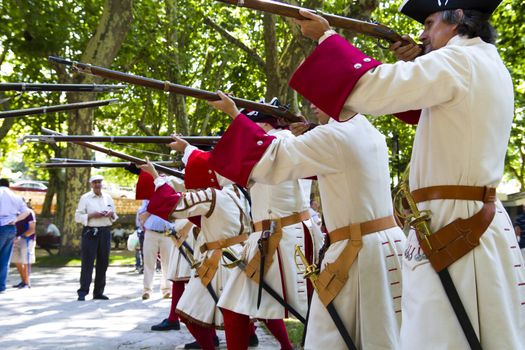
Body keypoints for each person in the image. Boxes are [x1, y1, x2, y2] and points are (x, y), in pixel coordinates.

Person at [291, 0, 525, 348]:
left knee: (442, 335)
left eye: (430, 23)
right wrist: (418, 61)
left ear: (457, 17)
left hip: (454, 223)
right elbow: (431, 108)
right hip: (468, 220)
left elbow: (376, 90)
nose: (423, 33)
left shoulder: (458, 60)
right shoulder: (483, 61)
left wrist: (327, 39)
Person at [207, 92, 406, 349]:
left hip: (355, 251)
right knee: (380, 332)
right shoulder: (366, 129)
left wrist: (235, 115)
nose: (312, 104)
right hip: (382, 244)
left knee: (341, 338)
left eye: (319, 94)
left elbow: (273, 157)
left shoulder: (330, 136)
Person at [198, 103, 316, 350]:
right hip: (276, 235)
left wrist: (234, 114)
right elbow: (228, 175)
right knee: (237, 307)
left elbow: (229, 171)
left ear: (263, 124)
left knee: (235, 307)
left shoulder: (279, 141)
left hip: (281, 237)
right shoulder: (280, 141)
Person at [139, 147, 252, 350]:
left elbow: (172, 204)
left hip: (219, 261)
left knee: (191, 313)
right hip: (239, 257)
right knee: (236, 318)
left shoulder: (214, 195)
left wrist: (155, 176)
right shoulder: (242, 191)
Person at [75, 175, 118, 301]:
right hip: (90, 232)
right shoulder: (85, 198)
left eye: (99, 182)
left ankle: (98, 292)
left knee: (103, 262)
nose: (97, 185)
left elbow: (114, 216)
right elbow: (78, 217)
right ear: (91, 185)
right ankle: (83, 291)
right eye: (95, 183)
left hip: (105, 231)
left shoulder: (108, 197)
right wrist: (91, 215)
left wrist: (111, 214)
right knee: (87, 262)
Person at [150, 218, 196, 332]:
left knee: (197, 282)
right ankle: (173, 318)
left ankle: (209, 332)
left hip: (191, 233)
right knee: (178, 278)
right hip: (183, 232)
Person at [137, 199, 174, 300]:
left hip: (167, 233)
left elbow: (175, 214)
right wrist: (154, 207)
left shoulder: (169, 196)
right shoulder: (148, 199)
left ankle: (167, 289)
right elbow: (141, 216)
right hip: (150, 233)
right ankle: (147, 290)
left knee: (167, 263)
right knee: (149, 262)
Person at [0, 178, 29, 294]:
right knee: (5, 258)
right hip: (11, 228)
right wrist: (16, 219)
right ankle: (1, 286)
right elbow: (26, 212)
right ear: (9, 186)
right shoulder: (16, 197)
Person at [11, 206, 37, 288]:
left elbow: (32, 229)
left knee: (26, 261)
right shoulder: (14, 212)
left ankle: (26, 282)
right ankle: (24, 281)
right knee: (16, 261)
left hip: (27, 239)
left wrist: (21, 236)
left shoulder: (29, 212)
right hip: (15, 239)